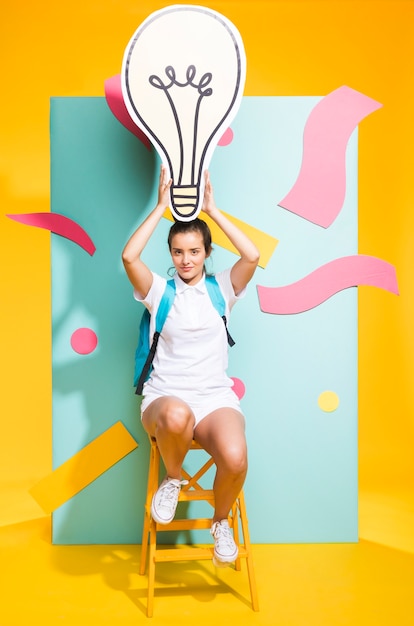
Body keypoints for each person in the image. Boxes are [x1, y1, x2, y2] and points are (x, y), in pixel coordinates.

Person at [122, 164, 260, 566]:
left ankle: (221, 524)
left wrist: (213, 211)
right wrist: (160, 207)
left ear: (206, 253)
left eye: (194, 251)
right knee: (178, 413)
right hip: (165, 400)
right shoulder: (159, 291)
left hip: (214, 398)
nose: (186, 260)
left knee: (235, 457)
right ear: (171, 254)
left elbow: (251, 255)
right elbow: (130, 256)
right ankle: (173, 477)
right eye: (178, 252)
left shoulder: (222, 291)